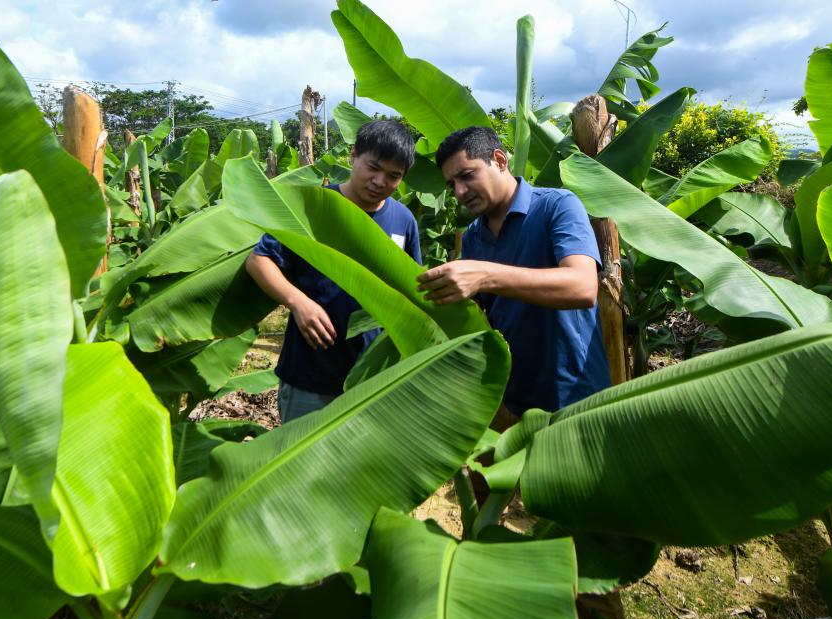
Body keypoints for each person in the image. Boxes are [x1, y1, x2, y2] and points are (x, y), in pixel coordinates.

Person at [417, 126, 610, 425]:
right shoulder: (474, 237)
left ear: (499, 160)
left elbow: (582, 288)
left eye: (467, 176)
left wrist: (484, 275)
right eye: (452, 184)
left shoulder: (556, 206)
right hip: (512, 403)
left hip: (575, 396)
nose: (459, 192)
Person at [246, 120, 421, 423]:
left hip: (373, 378)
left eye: (393, 176)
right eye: (373, 168)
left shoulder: (403, 221)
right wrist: (299, 303)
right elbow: (259, 260)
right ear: (353, 156)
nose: (380, 181)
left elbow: (410, 289)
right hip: (310, 372)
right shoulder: (315, 207)